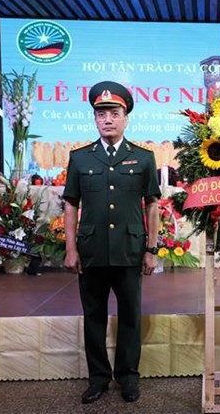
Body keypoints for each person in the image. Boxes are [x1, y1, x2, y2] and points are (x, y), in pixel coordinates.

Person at [63, 81, 161, 404]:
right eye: (101, 113)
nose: (107, 119)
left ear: (125, 118)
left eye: (114, 113)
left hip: (130, 250)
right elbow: (71, 204)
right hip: (91, 252)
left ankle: (128, 377)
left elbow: (152, 204)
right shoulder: (79, 159)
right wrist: (71, 248)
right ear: (94, 119)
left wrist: (151, 249)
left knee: (131, 315)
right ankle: (99, 378)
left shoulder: (144, 158)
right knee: (94, 316)